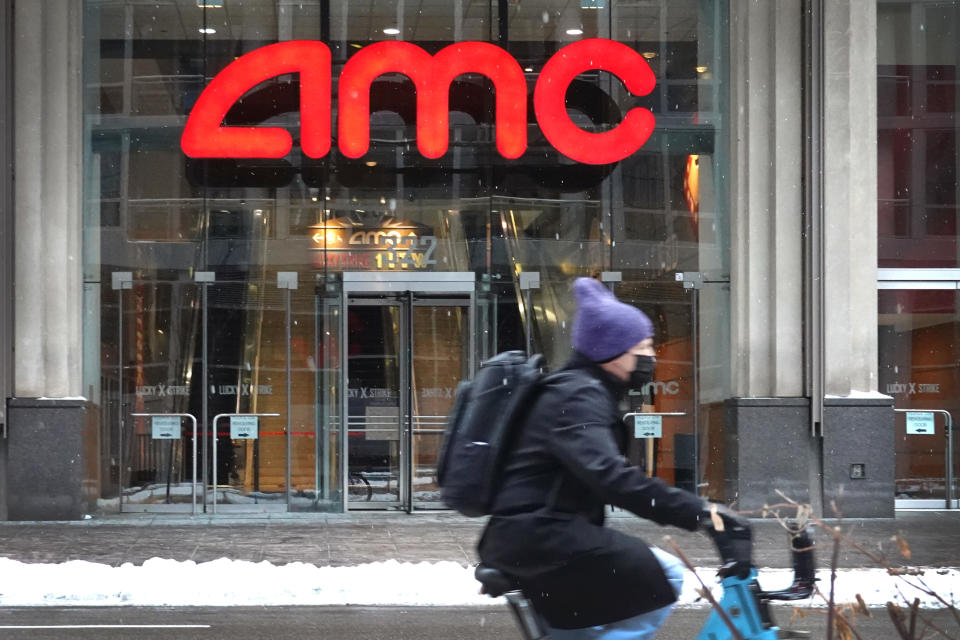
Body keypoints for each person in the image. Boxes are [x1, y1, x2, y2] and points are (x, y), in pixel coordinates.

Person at [477, 277, 748, 640]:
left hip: (528, 536)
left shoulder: (580, 389)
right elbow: (610, 477)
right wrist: (701, 514)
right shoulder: (578, 395)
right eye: (644, 346)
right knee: (666, 573)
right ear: (612, 351)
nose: (652, 356)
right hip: (540, 537)